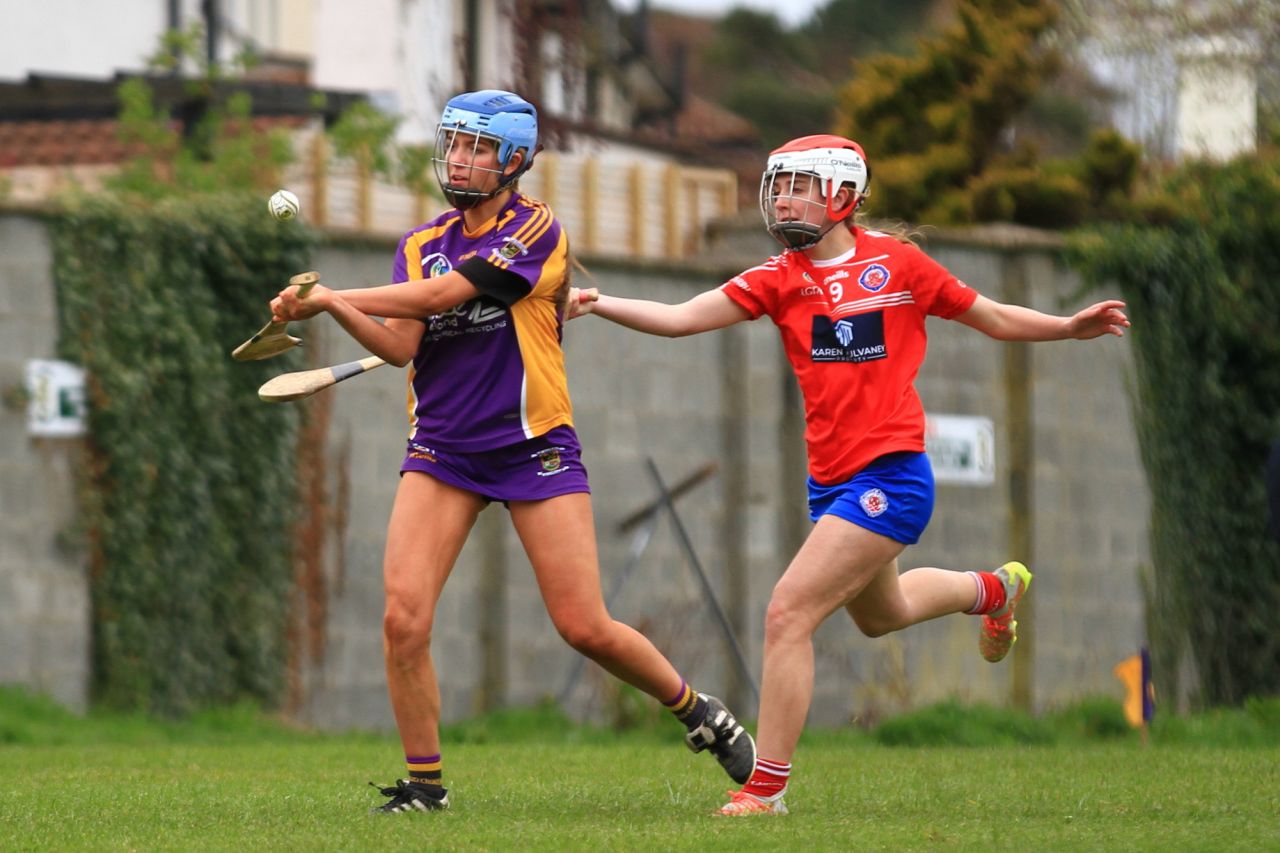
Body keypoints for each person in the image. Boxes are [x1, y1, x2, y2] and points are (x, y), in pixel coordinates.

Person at [566, 134, 1131, 816]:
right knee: (880, 616)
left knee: (787, 613)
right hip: (830, 482)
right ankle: (992, 589)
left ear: (841, 195)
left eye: (799, 185)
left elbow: (993, 314)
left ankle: (765, 788)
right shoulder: (779, 276)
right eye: (778, 185)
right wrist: (602, 304)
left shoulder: (898, 264)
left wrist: (1067, 327)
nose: (783, 198)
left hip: (892, 476)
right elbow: (684, 317)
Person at [270, 90, 755, 813]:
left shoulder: (536, 230)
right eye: (455, 144)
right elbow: (404, 343)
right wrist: (337, 307)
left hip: (532, 448)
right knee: (403, 619)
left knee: (584, 625)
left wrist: (336, 291)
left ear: (516, 160)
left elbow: (441, 299)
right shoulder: (417, 243)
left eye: (478, 148)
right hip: (442, 448)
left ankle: (696, 709)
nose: (460, 160)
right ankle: (425, 787)